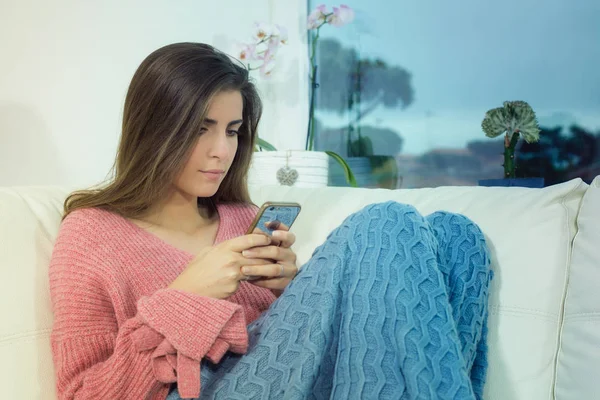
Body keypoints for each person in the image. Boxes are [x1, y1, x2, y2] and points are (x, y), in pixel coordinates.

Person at [49, 42, 493, 400]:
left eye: (232, 129)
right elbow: (80, 393)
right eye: (201, 128)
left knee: (457, 237)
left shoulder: (243, 218)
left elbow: (289, 350)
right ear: (155, 129)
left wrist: (291, 290)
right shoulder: (92, 233)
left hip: (286, 380)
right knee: (384, 220)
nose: (222, 150)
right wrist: (184, 297)